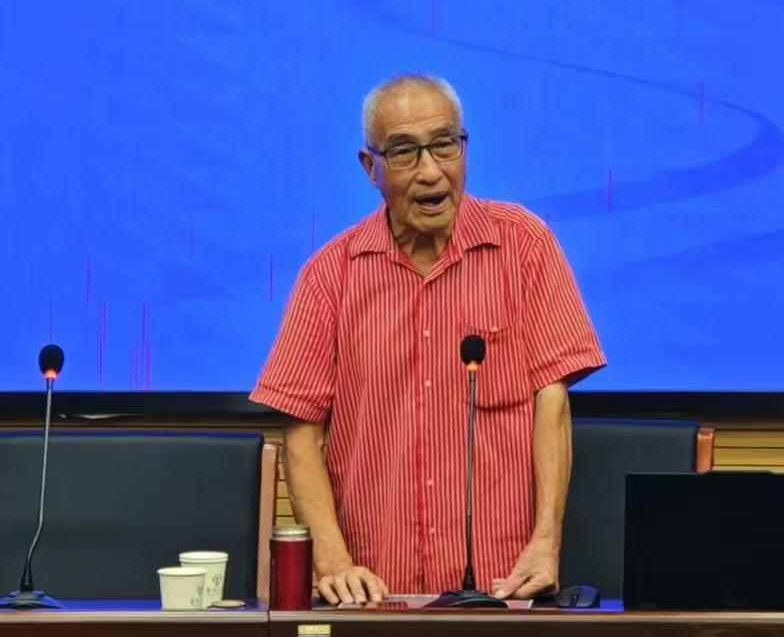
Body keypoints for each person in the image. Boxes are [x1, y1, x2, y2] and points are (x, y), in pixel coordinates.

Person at [251, 74, 605, 603]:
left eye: (444, 145)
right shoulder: (330, 274)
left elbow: (551, 401)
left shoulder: (524, 246)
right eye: (403, 152)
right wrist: (333, 560)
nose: (430, 171)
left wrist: (546, 542)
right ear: (370, 167)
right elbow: (301, 433)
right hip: (376, 593)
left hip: (503, 587)